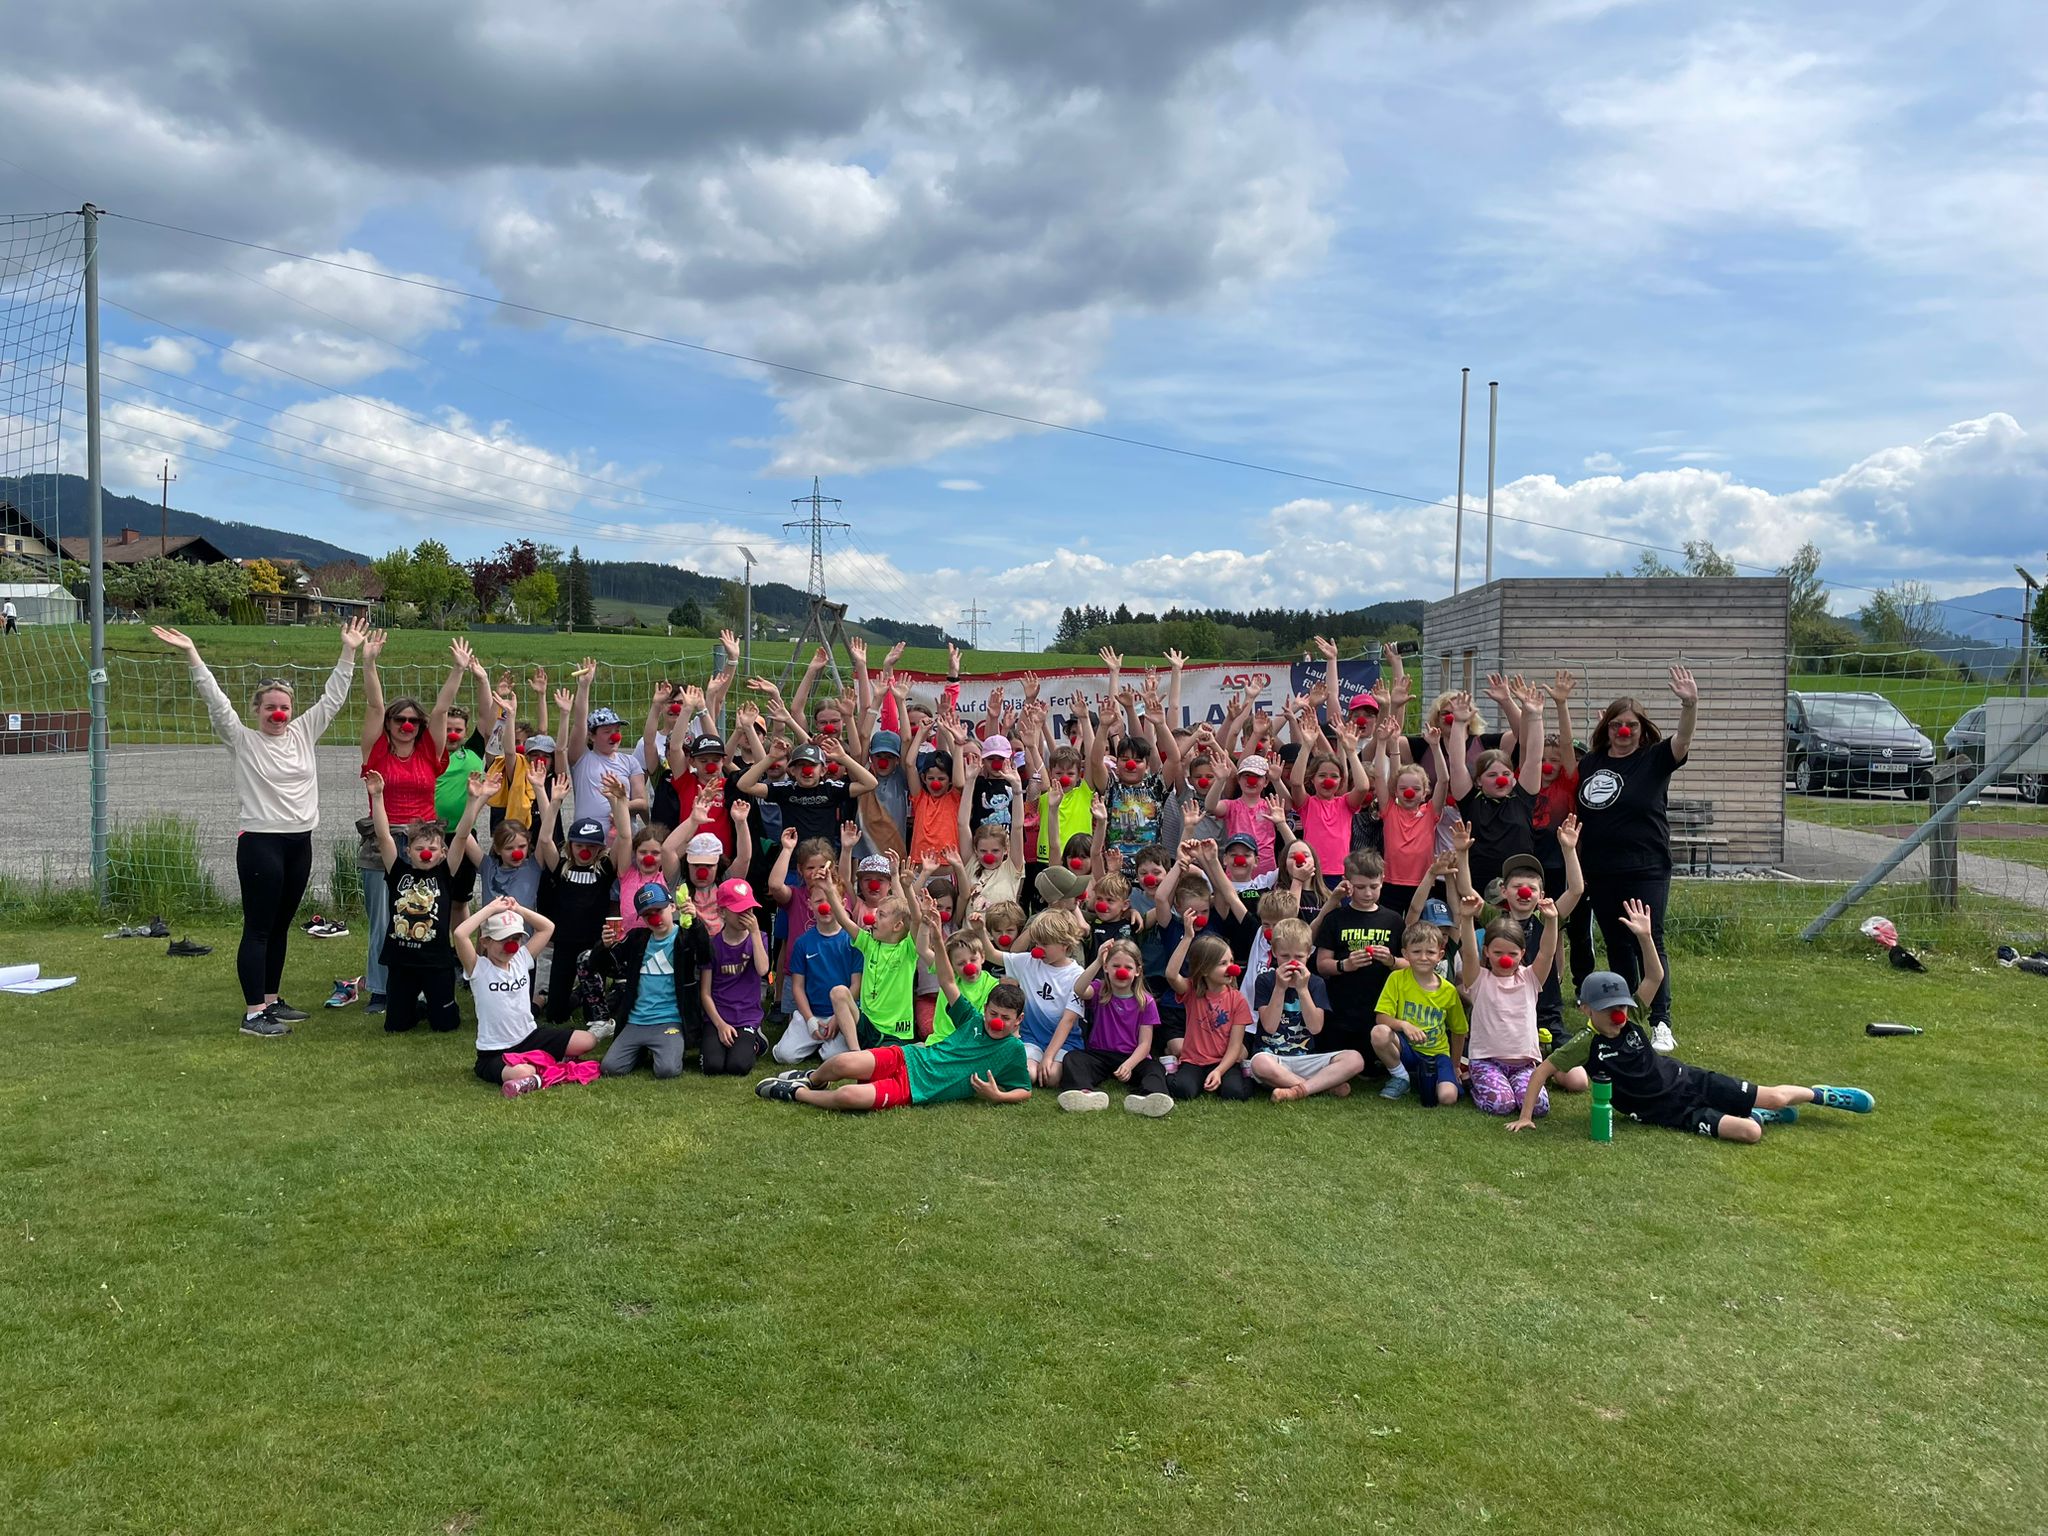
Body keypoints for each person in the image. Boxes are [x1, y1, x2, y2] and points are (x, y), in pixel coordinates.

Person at [153, 616, 367, 1036]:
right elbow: (216, 701)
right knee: (258, 928)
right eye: (270, 707)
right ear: (257, 710)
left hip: (299, 842)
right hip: (260, 844)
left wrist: (349, 651)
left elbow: (333, 697)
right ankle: (253, 1014)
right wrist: (192, 653)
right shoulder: (242, 739)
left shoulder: (304, 732)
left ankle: (271, 999)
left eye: (284, 707)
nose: (278, 714)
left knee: (282, 925)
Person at [1508, 901, 1877, 1140]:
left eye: (1620, 1006)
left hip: (1690, 1080)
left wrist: (1646, 938)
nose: (1617, 1015)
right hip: (1673, 1112)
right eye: (1607, 1009)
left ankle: (1823, 1094)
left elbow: (1654, 977)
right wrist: (1526, 1116)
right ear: (1586, 1009)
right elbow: (1541, 1072)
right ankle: (1760, 1115)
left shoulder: (1632, 1015)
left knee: (1778, 1096)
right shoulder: (1585, 1044)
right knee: (1750, 1133)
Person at [754, 894, 1032, 1112]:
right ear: (985, 1010)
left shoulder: (1013, 1050)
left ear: (1018, 1020)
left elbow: (1025, 1090)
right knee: (843, 1063)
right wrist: (937, 936)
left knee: (849, 1095)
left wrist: (998, 1095)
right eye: (993, 1013)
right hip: (909, 1057)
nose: (996, 1022)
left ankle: (797, 1093)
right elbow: (947, 981)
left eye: (1005, 1018)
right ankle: (812, 1078)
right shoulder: (972, 1019)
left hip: (916, 1089)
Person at [1573, 667, 1698, 1053]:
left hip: (1645, 868)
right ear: (1606, 728)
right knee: (1616, 943)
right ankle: (1625, 1013)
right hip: (1601, 870)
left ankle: (1660, 1020)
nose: (1623, 731)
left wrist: (1689, 704)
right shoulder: (1592, 763)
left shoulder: (1655, 758)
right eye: (1615, 725)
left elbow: (1683, 739)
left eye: (1630, 725)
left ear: (1642, 729)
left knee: (1648, 940)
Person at [357, 633, 468, 1015]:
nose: (406, 725)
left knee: (425, 914)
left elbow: (441, 709)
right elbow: (374, 704)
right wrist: (369, 662)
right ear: (389, 724)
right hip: (383, 841)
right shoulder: (375, 751)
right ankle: (380, 989)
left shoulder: (429, 751)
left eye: (412, 720)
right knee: (383, 919)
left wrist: (458, 669)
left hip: (425, 842)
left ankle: (421, 986)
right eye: (399, 719)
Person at [367, 766, 492, 1035]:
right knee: (396, 1027)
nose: (426, 853)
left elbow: (461, 835)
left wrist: (472, 800)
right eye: (420, 849)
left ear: (442, 853)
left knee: (445, 1026)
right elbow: (384, 836)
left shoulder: (446, 873)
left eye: (433, 849)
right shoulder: (397, 871)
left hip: (436, 962)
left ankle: (434, 1005)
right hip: (402, 962)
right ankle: (416, 1006)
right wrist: (377, 797)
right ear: (408, 851)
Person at [454, 895, 600, 1096]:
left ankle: (539, 1067)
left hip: (530, 1037)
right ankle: (537, 1072)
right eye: (502, 939)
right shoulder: (478, 968)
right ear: (485, 941)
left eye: (515, 939)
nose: (511, 945)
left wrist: (518, 909)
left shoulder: (521, 958)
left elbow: (547, 927)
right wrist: (490, 909)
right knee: (523, 1072)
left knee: (588, 1040)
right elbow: (460, 934)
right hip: (495, 1051)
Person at [1455, 894, 1560, 1118]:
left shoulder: (1530, 978)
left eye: (1512, 954)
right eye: (1498, 953)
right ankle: (1474, 1083)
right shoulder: (1478, 979)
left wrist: (1552, 921)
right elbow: (1470, 954)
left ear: (1522, 953)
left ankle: (1506, 1085)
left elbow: (1547, 952)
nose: (1505, 959)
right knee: (1501, 1105)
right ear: (1487, 952)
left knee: (1538, 1107)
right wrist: (1467, 918)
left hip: (1524, 1064)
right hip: (1487, 1061)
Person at [1046, 938, 1174, 1116]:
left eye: (1128, 967)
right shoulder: (1099, 990)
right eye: (1115, 966)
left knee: (1155, 1068)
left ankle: (1149, 1097)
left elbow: (1145, 1044)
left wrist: (1129, 1065)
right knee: (1073, 1058)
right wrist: (1098, 961)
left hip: (1131, 1057)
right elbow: (1079, 989)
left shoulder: (1146, 1002)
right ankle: (1084, 1093)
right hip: (1100, 1055)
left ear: (1137, 971)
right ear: (1106, 967)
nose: (1121, 971)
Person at [1247, 917, 1363, 1101]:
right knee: (1259, 1063)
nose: (1292, 962)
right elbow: (1269, 1026)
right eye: (1285, 956)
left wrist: (1302, 989)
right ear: (1274, 952)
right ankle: (1320, 1087)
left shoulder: (1315, 983)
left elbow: (1315, 1028)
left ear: (1309, 953)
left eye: (1299, 957)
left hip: (1305, 1058)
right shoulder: (1265, 980)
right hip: (1273, 1058)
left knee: (1355, 1059)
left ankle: (1297, 1090)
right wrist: (1280, 988)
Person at [601, 882, 704, 1079]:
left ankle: (667, 1047)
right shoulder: (637, 938)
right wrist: (605, 947)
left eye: (659, 910)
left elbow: (707, 955)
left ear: (672, 907)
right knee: (610, 1068)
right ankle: (640, 1050)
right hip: (637, 1020)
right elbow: (605, 966)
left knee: (667, 1070)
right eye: (647, 914)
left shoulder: (684, 937)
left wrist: (695, 922)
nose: (655, 918)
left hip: (669, 1020)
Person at [775, 854, 863, 1065]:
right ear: (810, 905)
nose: (825, 907)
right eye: (818, 901)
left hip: (841, 1014)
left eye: (830, 901)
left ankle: (825, 1046)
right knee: (784, 1055)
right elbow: (798, 987)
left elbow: (856, 985)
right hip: (812, 1013)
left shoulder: (853, 941)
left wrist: (836, 1019)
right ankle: (812, 1038)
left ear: (842, 903)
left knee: (834, 1057)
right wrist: (810, 1020)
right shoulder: (803, 942)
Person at [1371, 921, 1466, 1106]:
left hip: (1437, 1054)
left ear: (1440, 955)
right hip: (1407, 1050)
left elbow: (1459, 1030)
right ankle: (1401, 1077)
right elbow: (1381, 1017)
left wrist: (1455, 1066)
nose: (1423, 957)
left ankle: (1429, 1077)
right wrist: (1404, 1025)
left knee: (1447, 1097)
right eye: (1416, 952)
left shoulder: (1449, 990)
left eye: (1430, 952)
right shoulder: (1397, 979)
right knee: (1379, 1032)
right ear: (1405, 954)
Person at [1160, 930, 1252, 1100]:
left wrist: (1219, 1071)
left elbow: (1235, 1046)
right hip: (1194, 1061)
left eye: (1231, 961)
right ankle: (1171, 1068)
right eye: (1223, 963)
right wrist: (1188, 937)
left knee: (1235, 1093)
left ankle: (1245, 1073)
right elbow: (1171, 975)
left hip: (1224, 1062)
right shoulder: (1191, 991)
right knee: (1182, 1090)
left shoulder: (1238, 1000)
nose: (1231, 967)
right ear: (1204, 969)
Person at [564, 656, 646, 840]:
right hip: (587, 839)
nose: (614, 736)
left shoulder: (630, 762)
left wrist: (620, 806)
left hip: (621, 837)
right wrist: (584, 686)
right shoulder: (581, 758)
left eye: (617, 731)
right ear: (592, 736)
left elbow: (642, 802)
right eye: (607, 731)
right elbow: (579, 723)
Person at [700, 878, 771, 1075]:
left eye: (749, 910)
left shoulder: (759, 938)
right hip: (718, 1015)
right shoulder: (713, 945)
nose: (746, 915)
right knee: (712, 1066)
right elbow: (705, 993)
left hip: (747, 1016)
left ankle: (756, 1041)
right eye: (739, 910)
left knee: (738, 1066)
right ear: (722, 912)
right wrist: (720, 1024)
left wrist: (755, 933)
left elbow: (763, 970)